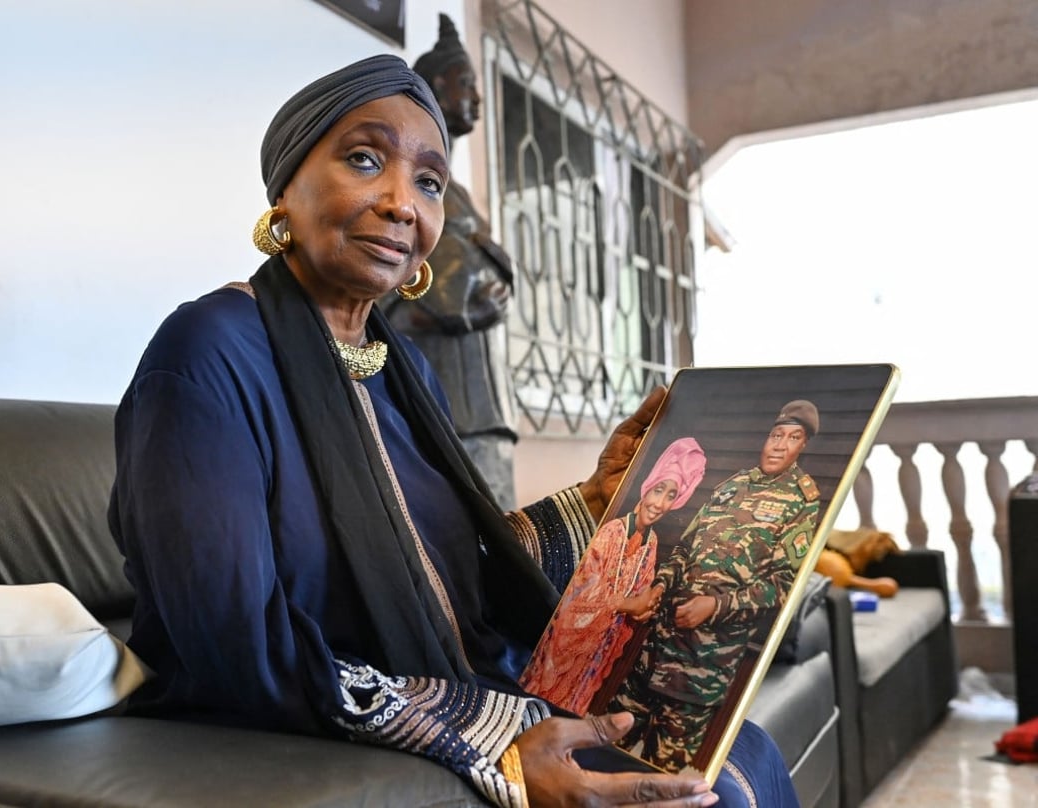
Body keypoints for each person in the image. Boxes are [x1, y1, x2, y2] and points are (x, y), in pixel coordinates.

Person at [108, 53, 796, 808]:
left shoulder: (401, 367)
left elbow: (443, 574)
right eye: (365, 161)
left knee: (736, 752)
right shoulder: (208, 350)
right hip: (304, 703)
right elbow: (229, 636)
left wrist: (599, 500)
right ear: (285, 187)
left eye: (429, 182)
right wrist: (490, 753)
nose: (403, 202)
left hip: (447, 673)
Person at [612, 400, 822, 775]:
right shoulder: (733, 485)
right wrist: (658, 587)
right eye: (776, 435)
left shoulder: (801, 502)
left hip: (702, 668)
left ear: (802, 446)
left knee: (662, 780)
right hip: (657, 649)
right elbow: (684, 550)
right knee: (606, 746)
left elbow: (783, 588)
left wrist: (715, 605)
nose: (778, 445)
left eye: (792, 438)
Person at [382, 14, 520, 509]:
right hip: (440, 394)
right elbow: (401, 290)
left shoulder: (452, 192)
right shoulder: (402, 190)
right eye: (467, 84)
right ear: (438, 84)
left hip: (480, 400)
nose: (477, 99)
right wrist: (466, 297)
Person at [519, 437, 707, 716]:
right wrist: (627, 604)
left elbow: (641, 593)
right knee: (542, 711)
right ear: (647, 488)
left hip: (597, 654)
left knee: (575, 712)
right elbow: (579, 595)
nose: (660, 503)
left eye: (671, 495)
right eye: (659, 490)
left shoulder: (650, 543)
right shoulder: (610, 532)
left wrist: (644, 609)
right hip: (568, 649)